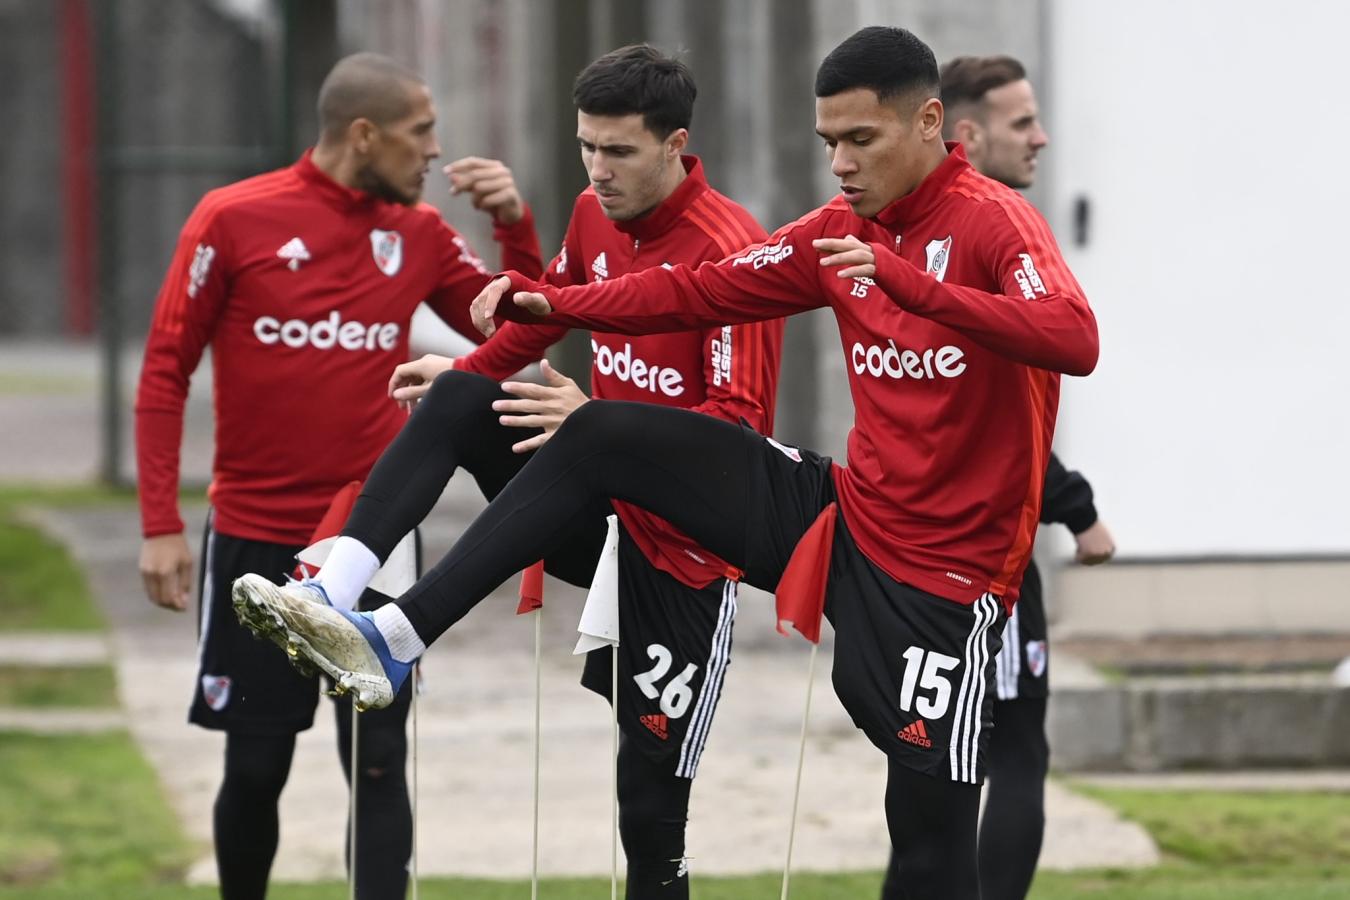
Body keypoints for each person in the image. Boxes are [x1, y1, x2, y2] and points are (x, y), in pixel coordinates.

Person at [234, 27, 1098, 900]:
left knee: (927, 847)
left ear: (930, 124)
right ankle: (390, 633)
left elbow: (1075, 336)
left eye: (860, 140)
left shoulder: (994, 222)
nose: (839, 163)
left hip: (945, 582)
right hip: (843, 516)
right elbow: (700, 288)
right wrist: (555, 302)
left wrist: (910, 286)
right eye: (827, 141)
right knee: (596, 432)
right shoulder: (838, 228)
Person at [235, 44, 781, 898]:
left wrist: (604, 427)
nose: (598, 171)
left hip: (683, 544)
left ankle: (392, 634)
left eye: (621, 152)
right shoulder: (593, 215)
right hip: (597, 513)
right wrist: (473, 371)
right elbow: (535, 320)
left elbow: (741, 436)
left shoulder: (732, 249)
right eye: (587, 148)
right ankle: (338, 596)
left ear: (678, 144)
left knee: (647, 816)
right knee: (456, 398)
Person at [134, 52, 542, 900]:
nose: (434, 151)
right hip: (251, 535)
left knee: (383, 764)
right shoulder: (232, 218)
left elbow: (524, 327)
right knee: (255, 764)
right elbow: (166, 367)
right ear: (365, 134)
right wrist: (159, 525)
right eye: (420, 131)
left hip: (376, 540)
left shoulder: (422, 235)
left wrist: (515, 227)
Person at [878, 54, 1118, 900]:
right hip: (981, 563)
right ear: (966, 133)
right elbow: (992, 432)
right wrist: (1079, 510)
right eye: (1024, 122)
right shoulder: (983, 230)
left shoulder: (934, 231)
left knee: (934, 765)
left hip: (918, 558)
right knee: (1003, 754)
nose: (1043, 137)